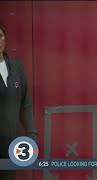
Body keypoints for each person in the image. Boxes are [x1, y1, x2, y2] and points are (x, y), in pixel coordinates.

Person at [0, 24, 37, 179]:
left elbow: (25, 104)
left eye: (0, 35)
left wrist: (31, 132)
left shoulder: (15, 67)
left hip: (10, 143)